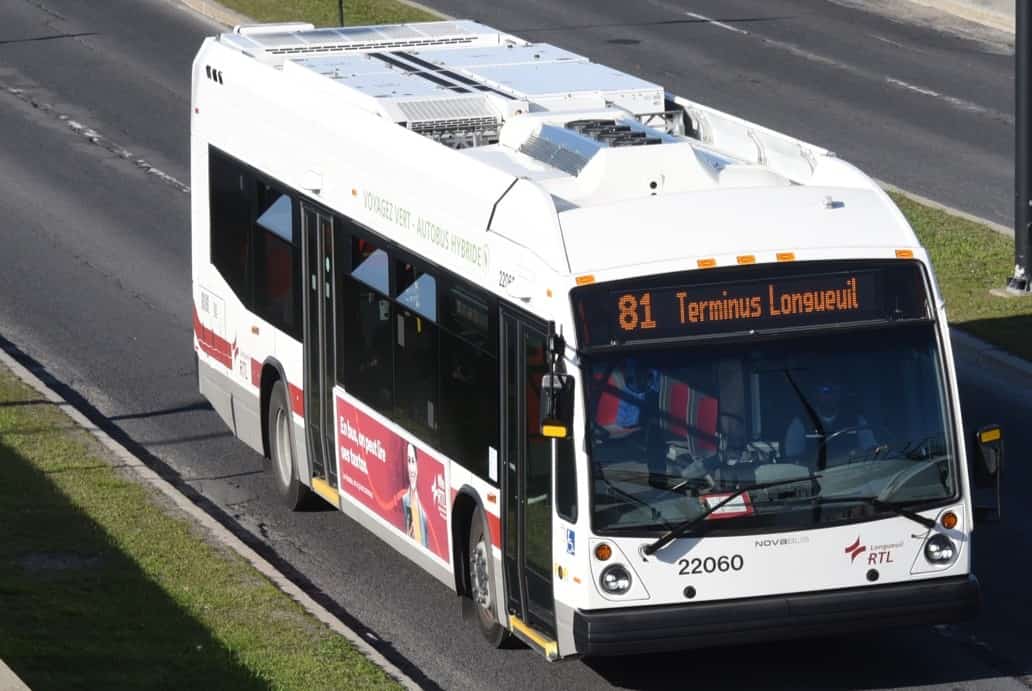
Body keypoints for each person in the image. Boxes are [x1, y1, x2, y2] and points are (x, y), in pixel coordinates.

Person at [784, 373, 876, 467]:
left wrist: (860, 454)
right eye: (825, 390)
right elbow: (793, 461)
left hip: (853, 475)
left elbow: (871, 451)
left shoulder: (856, 419)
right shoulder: (800, 422)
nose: (831, 395)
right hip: (814, 478)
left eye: (835, 390)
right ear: (816, 393)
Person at [402, 442, 430, 548]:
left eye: (413, 461)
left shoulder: (424, 511)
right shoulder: (404, 500)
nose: (411, 468)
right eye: (409, 461)